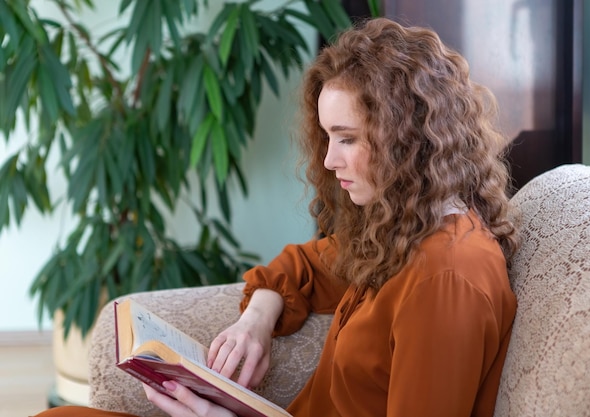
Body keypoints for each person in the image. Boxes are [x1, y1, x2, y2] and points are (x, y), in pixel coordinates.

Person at [34, 16, 519, 417]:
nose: (329, 160)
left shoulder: (447, 279)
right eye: (328, 138)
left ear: (407, 140)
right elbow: (304, 266)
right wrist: (257, 320)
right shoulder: (402, 228)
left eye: (347, 138)